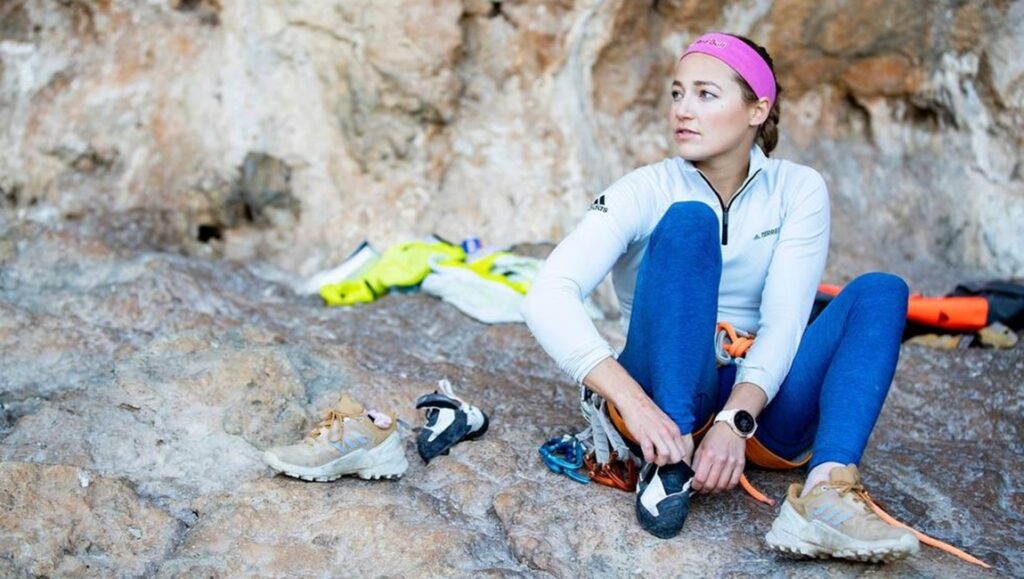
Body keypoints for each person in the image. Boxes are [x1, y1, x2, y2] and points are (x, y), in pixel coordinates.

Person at [521, 31, 920, 562]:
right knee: (690, 223)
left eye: (706, 95)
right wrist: (635, 406)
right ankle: (669, 462)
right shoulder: (646, 189)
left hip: (760, 410)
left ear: (758, 109)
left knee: (880, 292)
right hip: (663, 400)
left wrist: (736, 423)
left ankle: (826, 494)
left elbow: (784, 322)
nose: (683, 110)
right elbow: (547, 293)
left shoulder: (797, 189)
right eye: (677, 93)